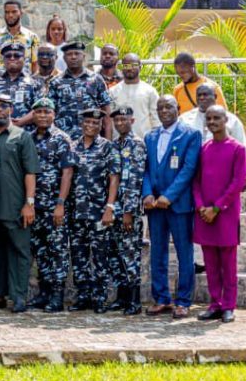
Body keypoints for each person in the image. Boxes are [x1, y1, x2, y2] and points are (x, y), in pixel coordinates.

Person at [143, 95, 202, 320]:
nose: (164, 110)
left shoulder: (190, 134)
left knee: (184, 253)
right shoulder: (151, 136)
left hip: (179, 204)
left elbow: (188, 169)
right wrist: (147, 193)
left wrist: (169, 196)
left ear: (178, 108)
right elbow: (146, 169)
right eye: (160, 107)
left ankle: (183, 301)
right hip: (155, 205)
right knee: (158, 252)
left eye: (169, 106)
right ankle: (162, 298)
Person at [0, 93, 39, 313]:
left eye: (4, 106)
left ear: (11, 110)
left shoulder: (21, 136)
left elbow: (30, 172)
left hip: (15, 205)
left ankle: (19, 297)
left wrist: (29, 203)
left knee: (20, 251)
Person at [193, 105, 246, 324]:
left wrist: (216, 208)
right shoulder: (204, 149)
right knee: (211, 263)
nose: (213, 121)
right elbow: (196, 181)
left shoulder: (237, 149)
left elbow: (237, 183)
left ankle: (229, 306)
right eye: (209, 118)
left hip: (224, 213)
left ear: (226, 120)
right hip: (204, 214)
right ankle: (215, 304)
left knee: (228, 263)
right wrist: (201, 207)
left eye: (217, 118)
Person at [67, 109, 119, 313]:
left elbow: (114, 178)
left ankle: (99, 297)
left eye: (95, 123)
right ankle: (83, 296)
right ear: (82, 123)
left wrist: (110, 207)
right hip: (77, 211)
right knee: (78, 256)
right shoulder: (73, 146)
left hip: (99, 211)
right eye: (87, 122)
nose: (91, 126)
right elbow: (68, 176)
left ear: (100, 126)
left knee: (99, 256)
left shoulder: (107, 147)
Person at [28, 97, 74, 313]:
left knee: (57, 251)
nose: (43, 115)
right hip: (34, 206)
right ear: (33, 115)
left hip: (54, 205)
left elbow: (67, 173)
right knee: (40, 250)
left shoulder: (62, 139)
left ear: (54, 114)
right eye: (39, 112)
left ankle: (57, 295)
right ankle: (44, 292)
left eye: (47, 111)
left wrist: (60, 203)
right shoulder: (28, 139)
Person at [110, 106, 147, 315]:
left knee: (130, 255)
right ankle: (122, 297)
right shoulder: (115, 144)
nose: (120, 123)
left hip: (128, 210)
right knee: (117, 255)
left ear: (132, 121)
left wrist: (129, 211)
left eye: (123, 120)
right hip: (114, 208)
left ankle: (134, 301)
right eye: (117, 121)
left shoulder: (137, 144)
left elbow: (135, 179)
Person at [50, 40, 112, 140]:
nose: (73, 57)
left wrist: (108, 144)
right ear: (64, 58)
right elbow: (50, 113)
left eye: (77, 53)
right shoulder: (55, 82)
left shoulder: (96, 79)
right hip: (63, 141)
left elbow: (107, 115)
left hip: (91, 141)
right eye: (69, 54)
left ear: (83, 56)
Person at [0, 43, 40, 129]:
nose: (12, 58)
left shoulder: (34, 83)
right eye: (8, 56)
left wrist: (19, 123)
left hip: (25, 135)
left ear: (24, 59)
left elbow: (39, 108)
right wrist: (0, 122)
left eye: (17, 55)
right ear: (3, 60)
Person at [180, 83, 246, 156]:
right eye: (199, 95)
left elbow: (243, 153)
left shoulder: (231, 120)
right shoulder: (184, 119)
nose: (201, 97)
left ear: (215, 96)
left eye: (205, 95)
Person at [109, 53, 160, 138]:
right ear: (122, 68)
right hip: (118, 142)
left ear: (140, 67)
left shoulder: (150, 91)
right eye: (126, 65)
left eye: (134, 65)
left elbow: (156, 119)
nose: (130, 68)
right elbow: (109, 120)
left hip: (144, 141)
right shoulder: (113, 91)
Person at [0, 0, 39, 74]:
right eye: (7, 12)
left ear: (21, 13)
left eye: (14, 12)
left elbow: (35, 64)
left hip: (25, 82)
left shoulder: (32, 37)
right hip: (0, 82)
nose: (10, 15)